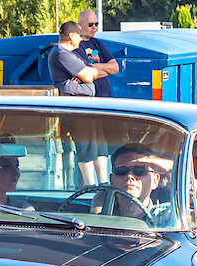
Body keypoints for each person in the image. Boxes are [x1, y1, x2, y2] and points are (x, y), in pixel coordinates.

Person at [48, 21, 111, 185]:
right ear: (71, 36)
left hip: (88, 106)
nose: (81, 41)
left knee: (99, 144)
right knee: (87, 146)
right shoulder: (62, 53)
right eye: (79, 37)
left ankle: (103, 184)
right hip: (77, 109)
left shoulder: (73, 53)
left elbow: (90, 74)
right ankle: (90, 187)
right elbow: (89, 78)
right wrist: (88, 75)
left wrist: (88, 73)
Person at [94, 144, 174, 226]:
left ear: (155, 180)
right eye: (121, 171)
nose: (129, 176)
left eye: (139, 170)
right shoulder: (100, 220)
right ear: (111, 180)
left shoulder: (169, 216)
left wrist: (152, 160)